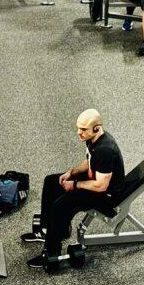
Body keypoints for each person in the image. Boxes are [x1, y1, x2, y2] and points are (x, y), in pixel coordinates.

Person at [22, 109, 126, 272]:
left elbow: (101, 186)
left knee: (61, 205)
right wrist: (71, 173)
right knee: (51, 182)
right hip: (95, 183)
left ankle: (52, 250)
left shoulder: (105, 150)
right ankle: (46, 230)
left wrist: (75, 184)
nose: (79, 133)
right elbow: (90, 161)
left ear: (97, 128)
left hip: (106, 197)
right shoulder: (94, 139)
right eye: (78, 128)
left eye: (83, 129)